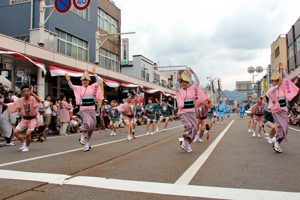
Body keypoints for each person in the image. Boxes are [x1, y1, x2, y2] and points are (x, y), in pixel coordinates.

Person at [66, 66, 104, 151]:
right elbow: (72, 86)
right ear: (82, 81)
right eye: (83, 80)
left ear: (89, 81)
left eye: (86, 80)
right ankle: (82, 137)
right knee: (88, 123)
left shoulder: (92, 87)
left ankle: (86, 144)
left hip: (92, 109)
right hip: (83, 109)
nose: (85, 81)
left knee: (92, 126)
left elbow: (99, 82)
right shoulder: (79, 88)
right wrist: (68, 80)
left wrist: (95, 74)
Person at [267, 62, 299, 153]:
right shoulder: (271, 90)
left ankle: (277, 142)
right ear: (272, 82)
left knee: (285, 127)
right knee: (280, 126)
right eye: (274, 81)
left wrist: (283, 70)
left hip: (283, 110)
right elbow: (273, 89)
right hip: (276, 111)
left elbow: (288, 79)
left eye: (277, 80)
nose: (275, 82)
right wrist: (278, 84)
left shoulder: (282, 87)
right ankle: (277, 143)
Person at [176, 68, 207, 153]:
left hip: (192, 112)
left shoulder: (191, 89)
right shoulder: (179, 91)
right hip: (183, 112)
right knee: (189, 126)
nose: (182, 84)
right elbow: (176, 87)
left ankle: (188, 145)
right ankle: (183, 141)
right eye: (181, 82)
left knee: (194, 129)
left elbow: (197, 82)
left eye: (184, 82)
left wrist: (194, 73)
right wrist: (177, 80)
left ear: (187, 83)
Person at [2, 85, 41, 152]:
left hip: (32, 119)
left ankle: (27, 147)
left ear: (29, 92)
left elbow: (39, 100)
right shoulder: (20, 100)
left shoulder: (32, 98)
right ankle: (24, 143)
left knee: (28, 133)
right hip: (24, 119)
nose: (26, 92)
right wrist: (4, 105)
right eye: (24, 91)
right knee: (15, 132)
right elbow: (13, 105)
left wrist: (32, 93)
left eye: (27, 91)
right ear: (22, 93)